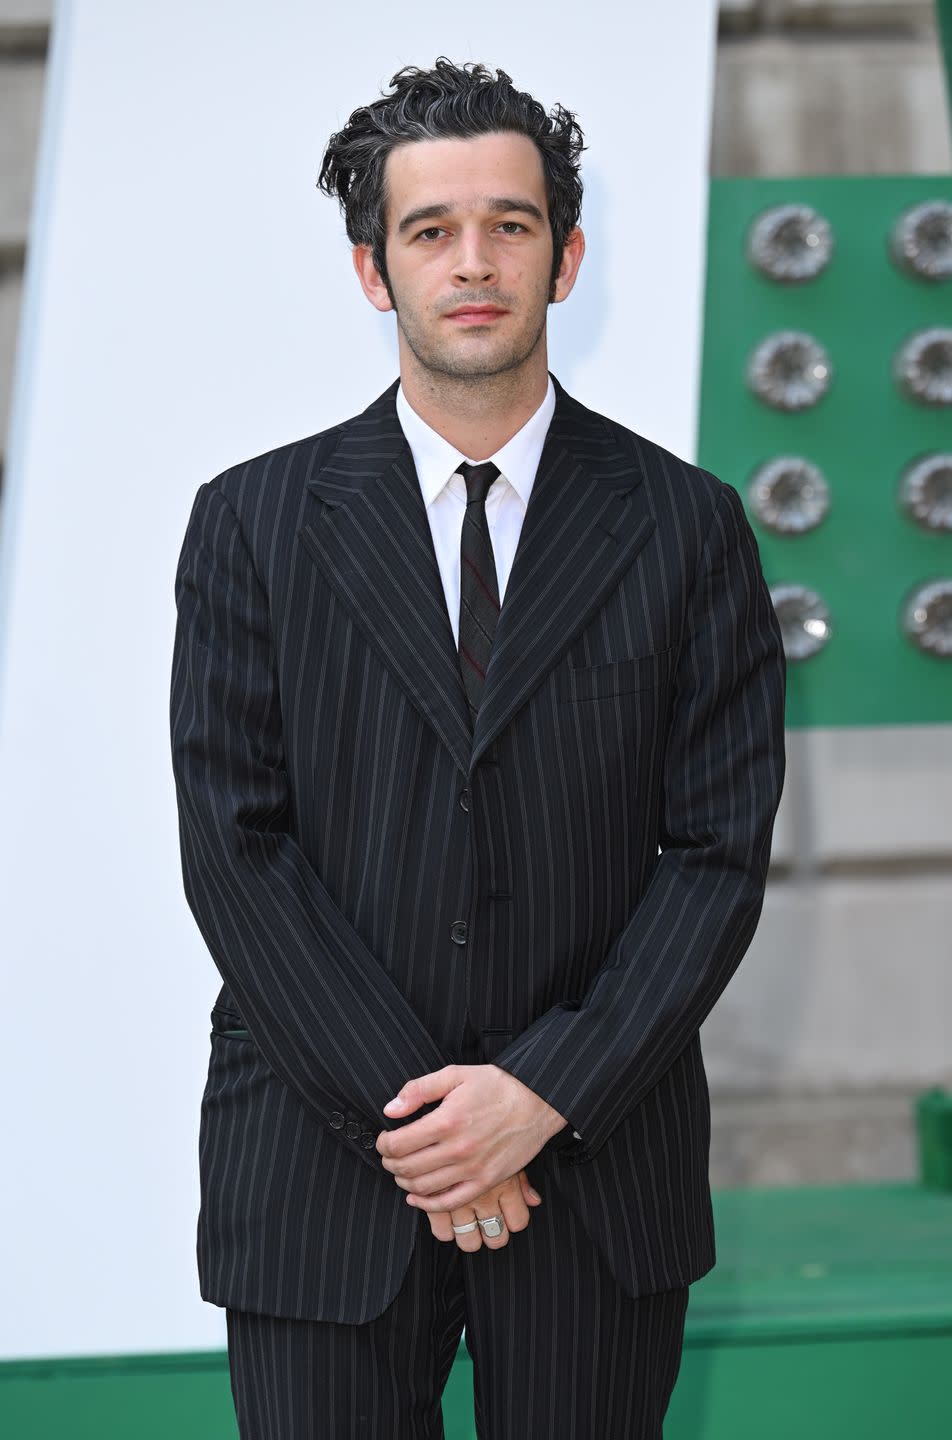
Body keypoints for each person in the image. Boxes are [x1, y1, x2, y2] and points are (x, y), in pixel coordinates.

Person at [170, 55, 786, 1440]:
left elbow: (714, 858)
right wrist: (438, 1137)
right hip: (321, 1174)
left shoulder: (689, 530)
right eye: (431, 230)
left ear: (565, 260)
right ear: (373, 272)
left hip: (598, 1166)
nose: (473, 261)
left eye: (510, 225)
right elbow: (236, 853)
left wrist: (543, 1095)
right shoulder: (251, 526)